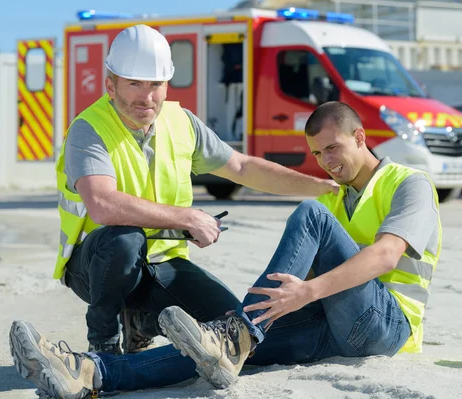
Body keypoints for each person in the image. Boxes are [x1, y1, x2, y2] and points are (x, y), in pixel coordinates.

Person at [9, 100, 442, 399]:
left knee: (305, 220)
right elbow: (247, 169)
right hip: (335, 325)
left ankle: (238, 331)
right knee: (213, 351)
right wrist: (285, 308)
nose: (326, 160)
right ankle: (89, 372)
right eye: (316, 153)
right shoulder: (334, 197)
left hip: (388, 327)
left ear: (361, 137)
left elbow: (386, 255)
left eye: (333, 148)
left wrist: (305, 294)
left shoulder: (408, 183)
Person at [53, 23, 339, 357]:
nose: (146, 96)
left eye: (155, 84)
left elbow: (243, 167)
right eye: (134, 83)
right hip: (97, 266)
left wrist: (319, 186)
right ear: (110, 86)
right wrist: (188, 217)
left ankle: (141, 323)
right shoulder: (89, 129)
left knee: (231, 325)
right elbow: (102, 204)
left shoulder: (181, 123)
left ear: (166, 85)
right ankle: (103, 342)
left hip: (161, 262)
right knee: (124, 240)